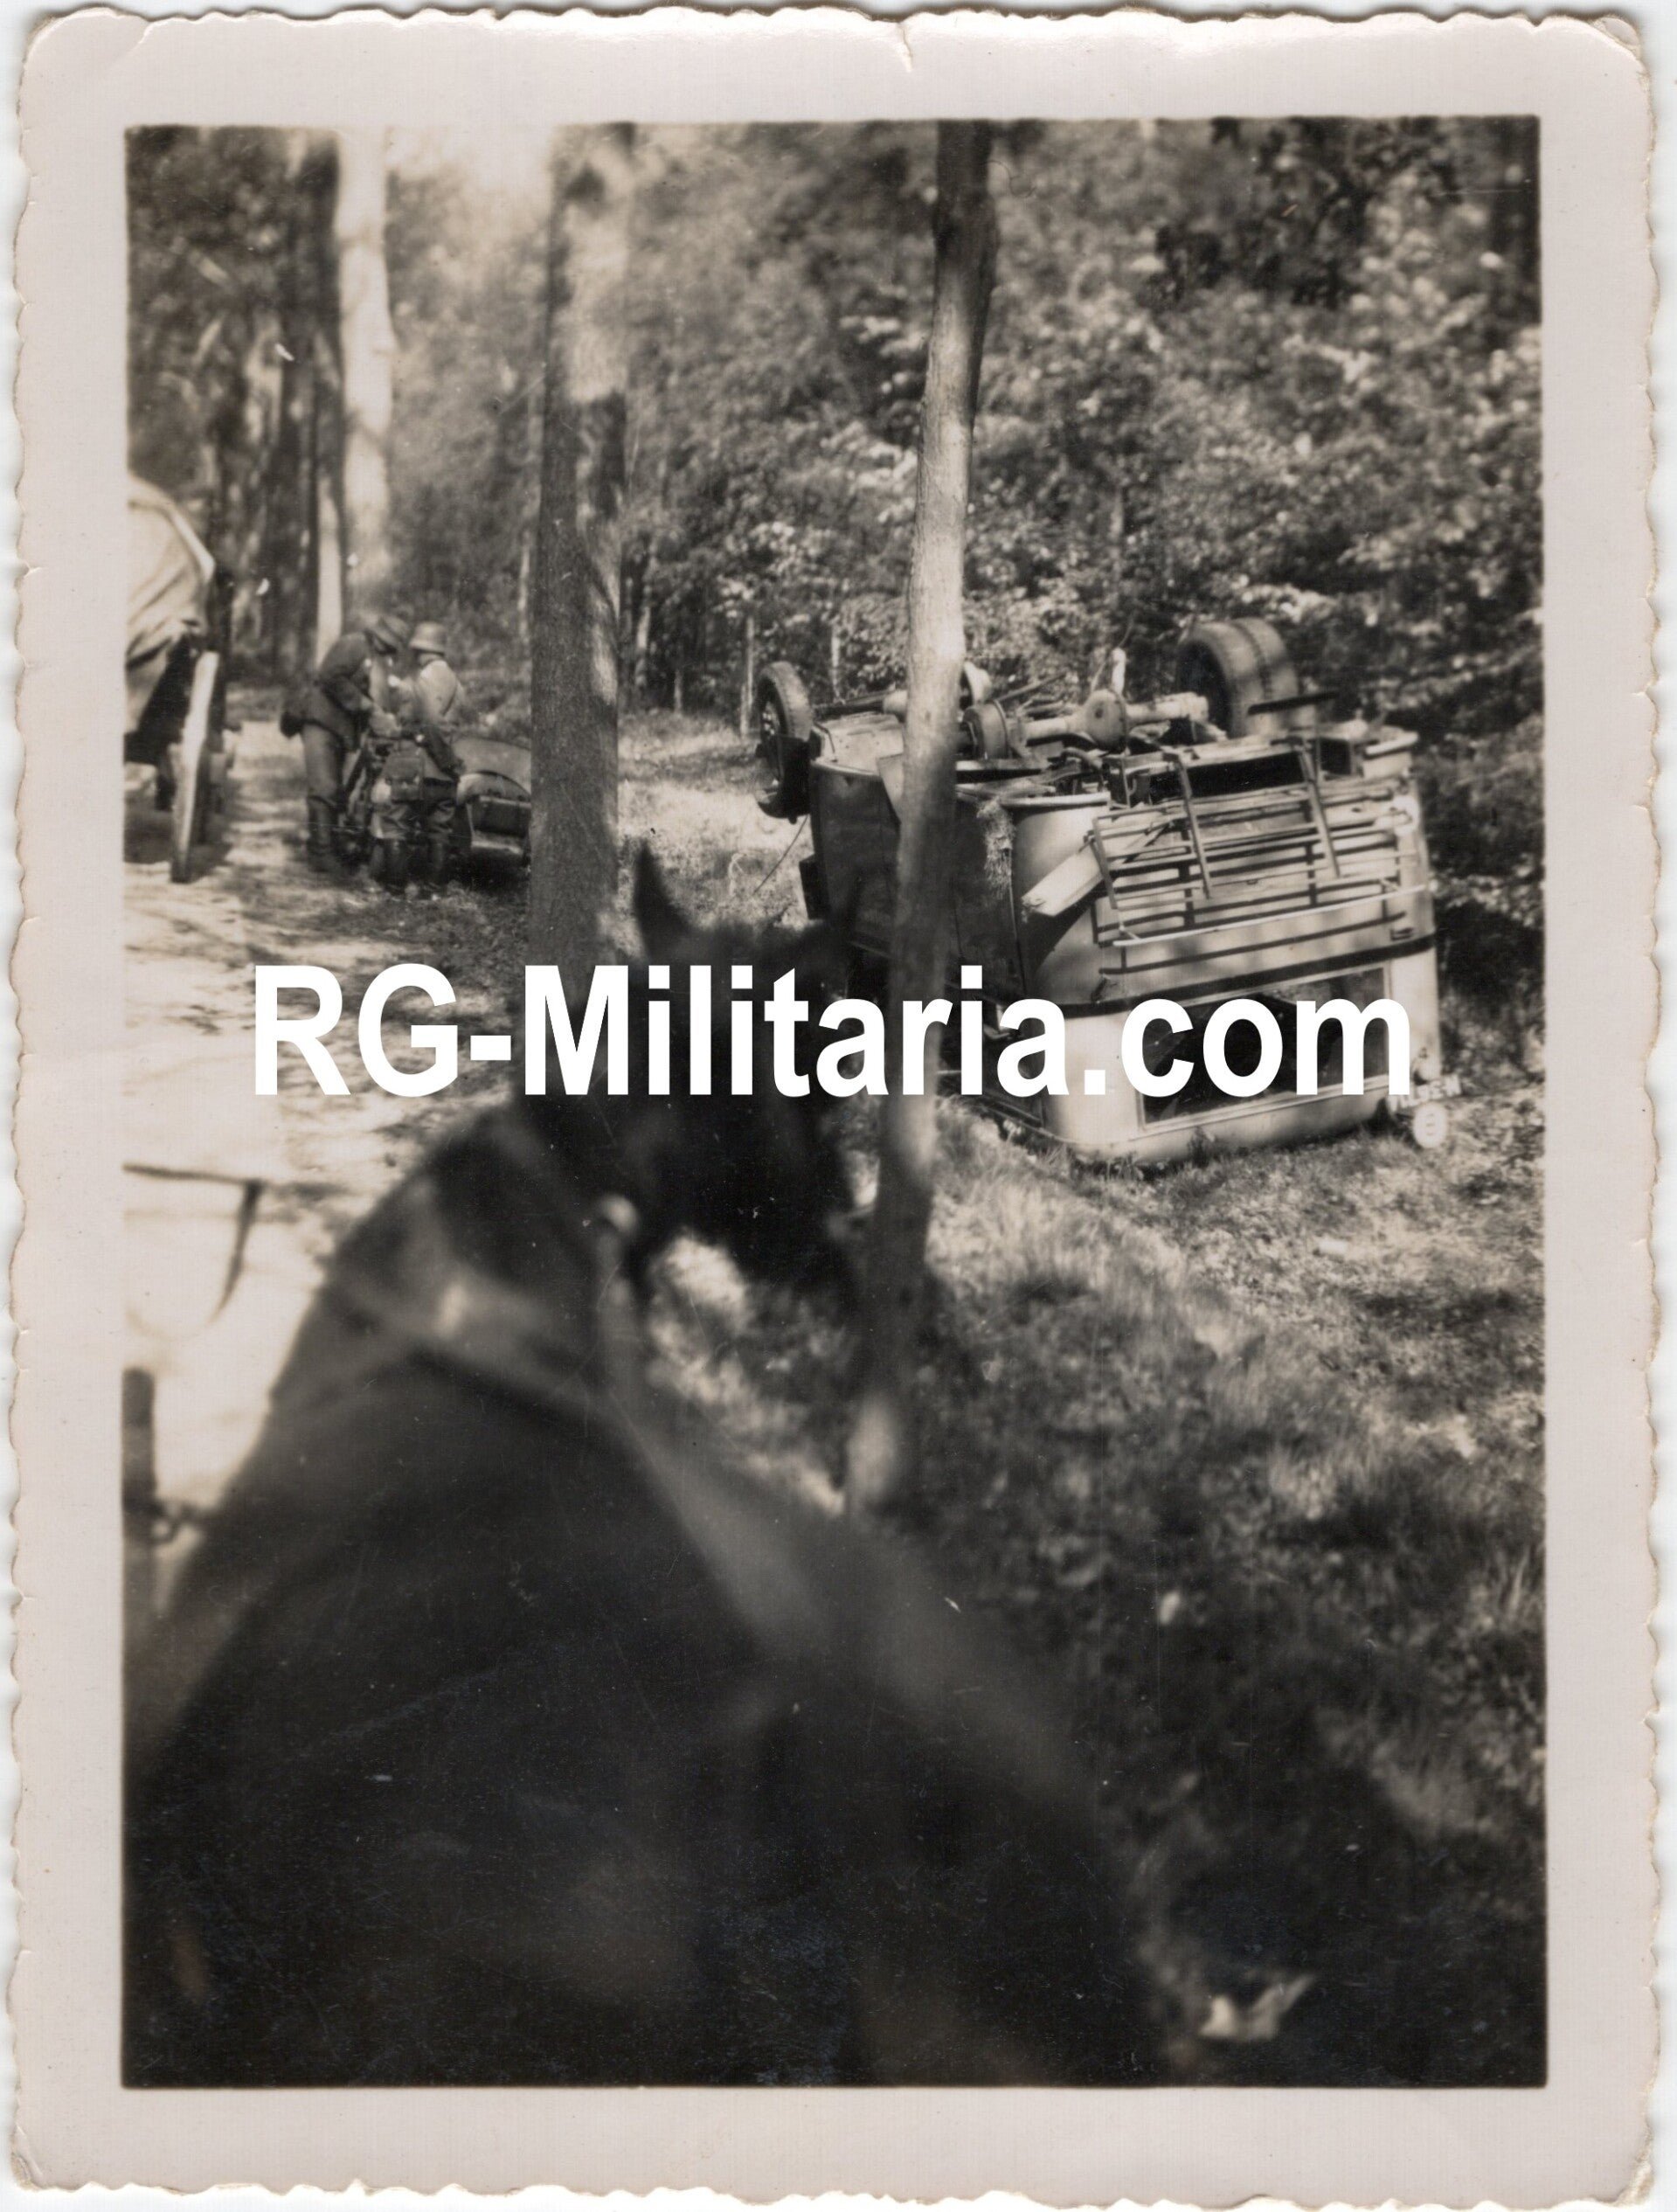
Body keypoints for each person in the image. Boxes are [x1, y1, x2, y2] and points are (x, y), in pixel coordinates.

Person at [291, 614, 411, 875]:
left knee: (335, 790)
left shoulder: (374, 657)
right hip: (320, 722)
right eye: (388, 645)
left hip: (338, 729)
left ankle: (328, 845)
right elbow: (330, 676)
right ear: (379, 638)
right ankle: (321, 853)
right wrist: (365, 705)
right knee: (324, 787)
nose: (388, 651)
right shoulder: (354, 644)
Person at [373, 621, 464, 898]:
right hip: (442, 770)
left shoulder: (426, 678)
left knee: (396, 824)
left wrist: (446, 760)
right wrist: (450, 764)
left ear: (419, 650)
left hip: (414, 762)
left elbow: (431, 724)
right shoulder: (455, 681)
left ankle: (395, 889)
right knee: (440, 829)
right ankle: (434, 890)